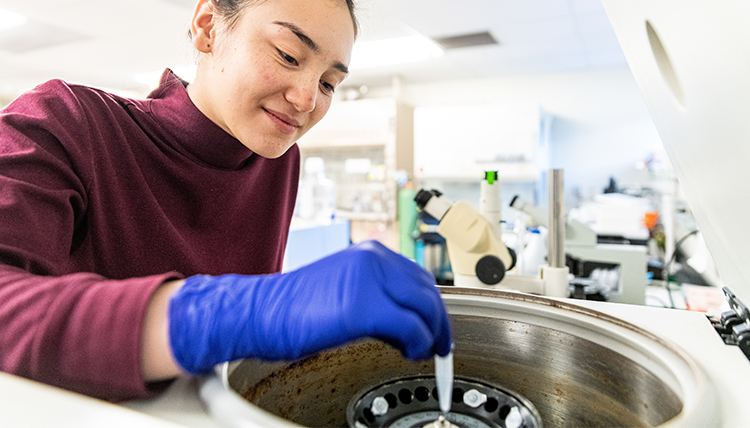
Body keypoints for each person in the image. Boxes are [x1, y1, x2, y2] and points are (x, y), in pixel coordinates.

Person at [0, 0, 451, 402]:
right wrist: (230, 312)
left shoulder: (278, 160)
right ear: (208, 26)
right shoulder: (66, 121)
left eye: (330, 83)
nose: (306, 99)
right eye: (289, 55)